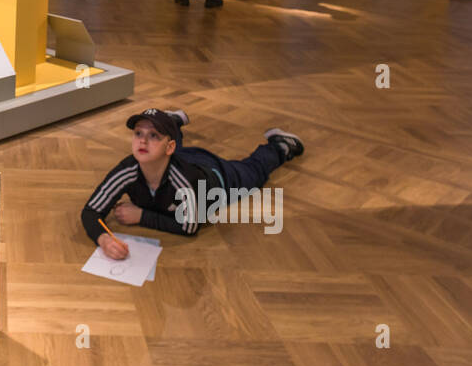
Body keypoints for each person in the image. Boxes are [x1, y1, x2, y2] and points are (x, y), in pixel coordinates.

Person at [81, 108, 305, 257]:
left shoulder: (185, 183)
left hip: (217, 177)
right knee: (170, 152)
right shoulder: (128, 169)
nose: (142, 140)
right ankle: (172, 123)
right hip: (176, 158)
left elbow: (189, 226)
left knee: (253, 173)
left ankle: (281, 146)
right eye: (138, 133)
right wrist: (102, 238)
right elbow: (91, 211)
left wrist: (142, 216)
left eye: (154, 135)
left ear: (166, 146)